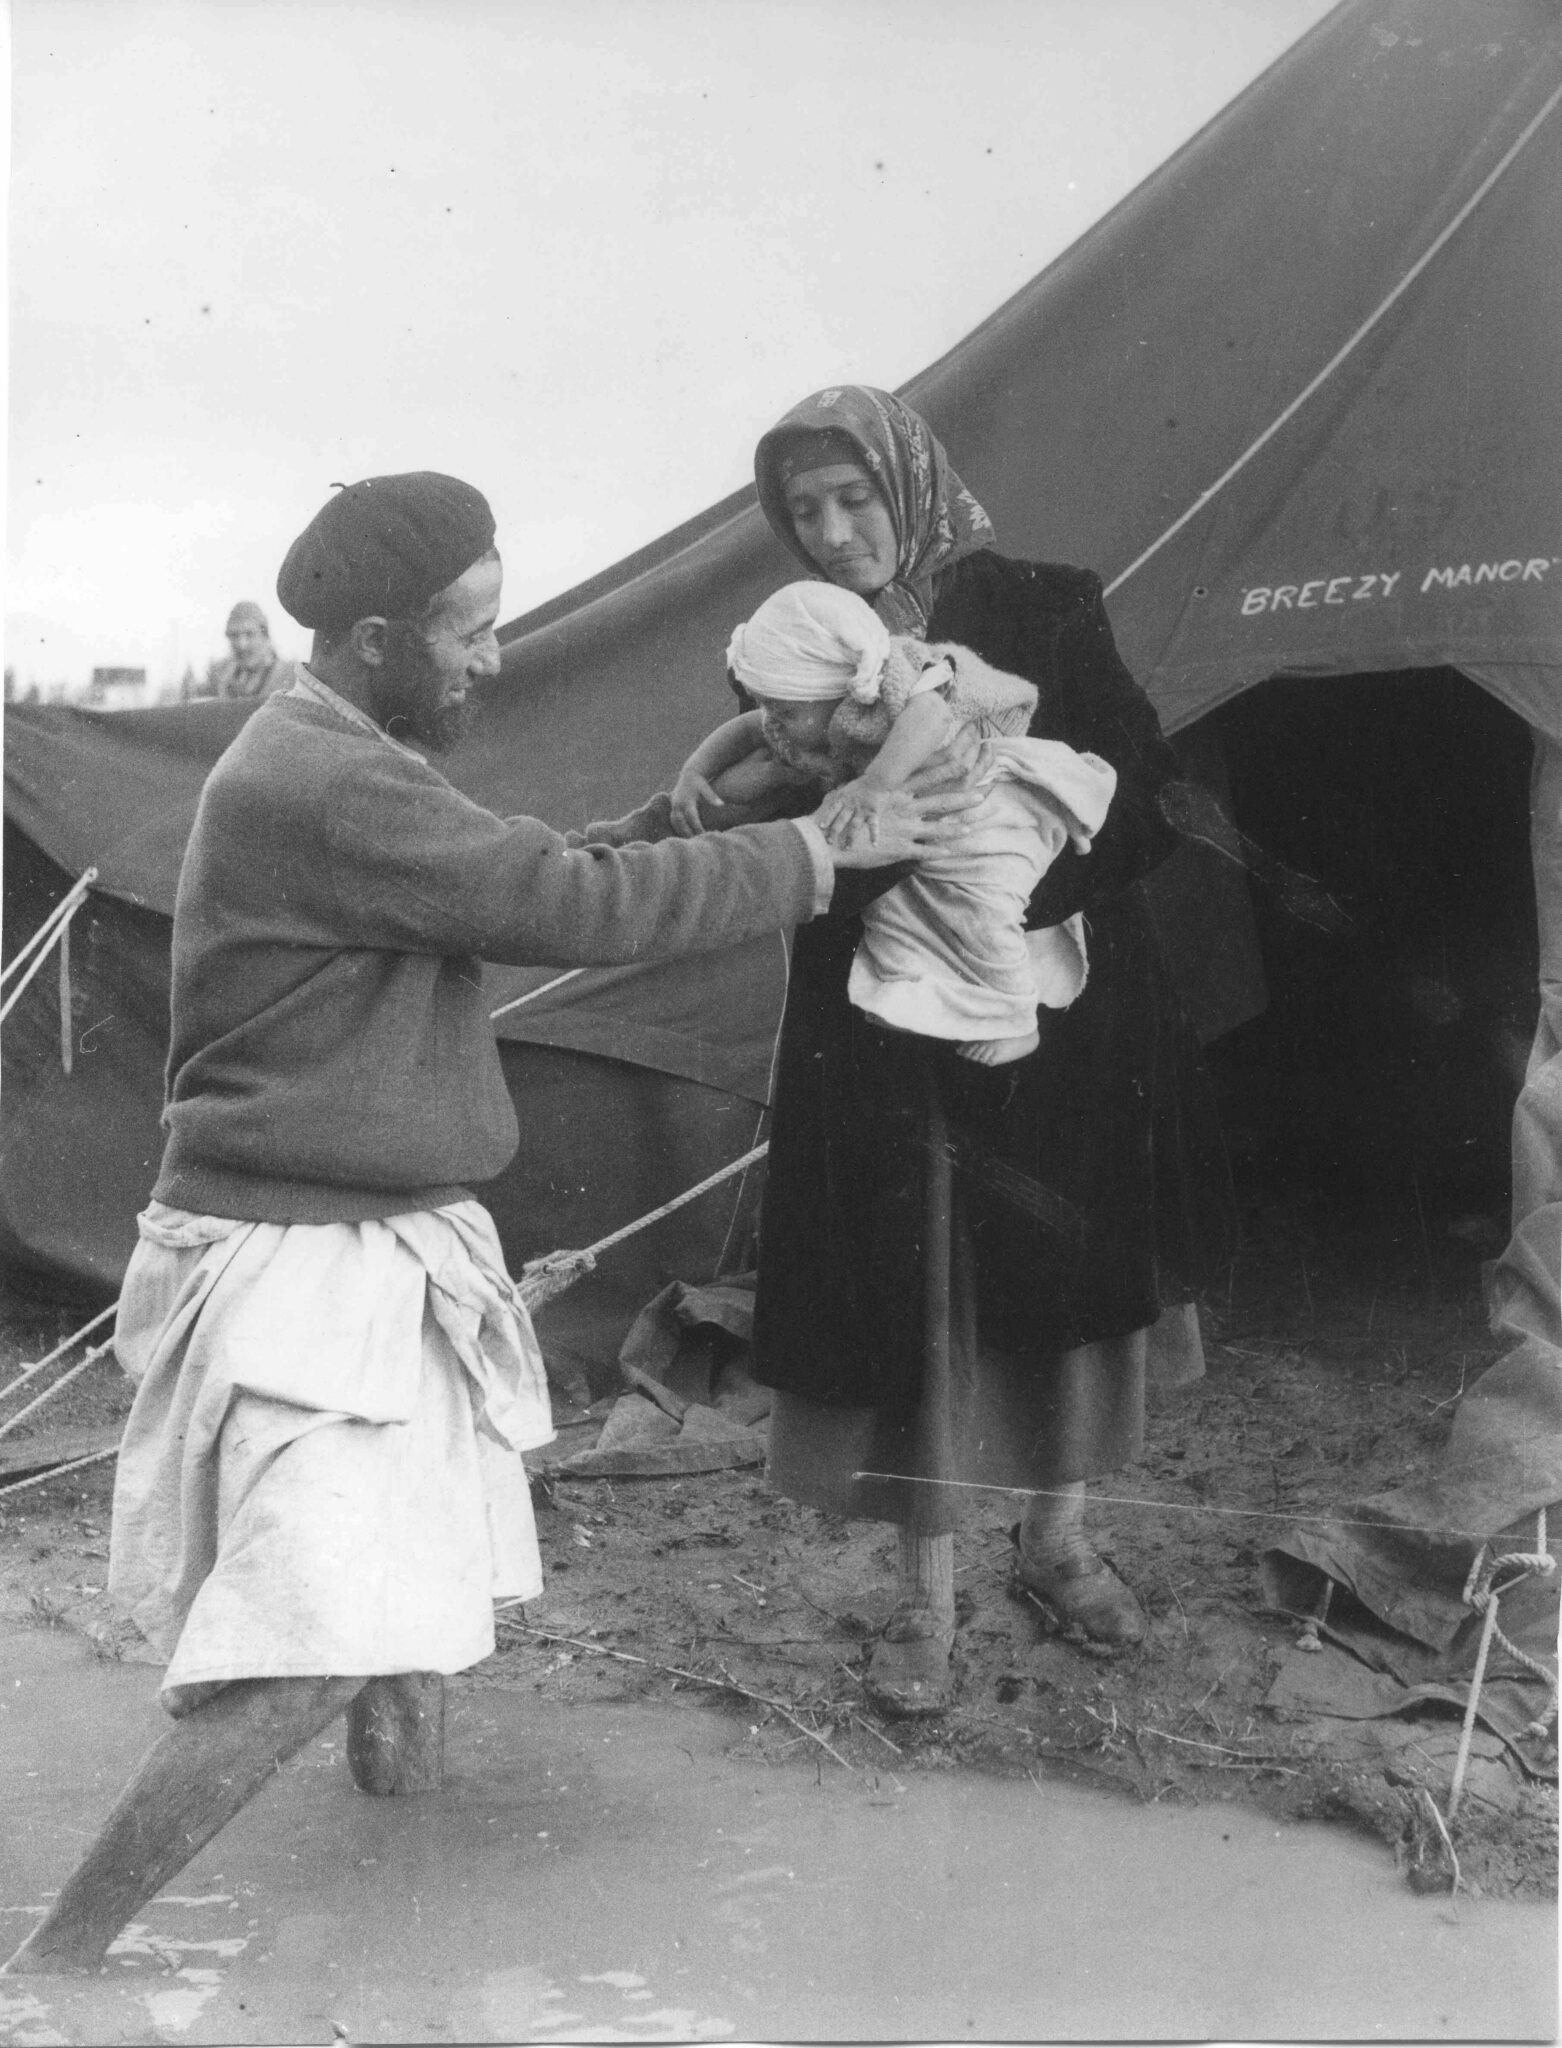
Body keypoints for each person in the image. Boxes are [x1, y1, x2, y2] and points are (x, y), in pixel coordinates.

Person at [3, 470, 969, 1974]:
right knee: (314, 1649)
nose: (493, 658)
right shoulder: (325, 779)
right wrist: (812, 852)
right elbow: (558, 905)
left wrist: (679, 816)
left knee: (409, 1621)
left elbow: (509, 877)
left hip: (366, 1242)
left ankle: (385, 1943)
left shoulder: (341, 756)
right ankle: (55, 1973)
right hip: (302, 1264)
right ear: (377, 639)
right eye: (471, 632)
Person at [736, 386, 1230, 1714]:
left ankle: (1057, 1541)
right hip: (878, 1029)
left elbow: (1147, 790)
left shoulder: (1043, 604)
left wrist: (1009, 891)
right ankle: (925, 1598)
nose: (832, 533)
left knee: (1058, 1275)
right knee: (920, 1295)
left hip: (1051, 1012)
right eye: (803, 509)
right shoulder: (801, 641)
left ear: (909, 485)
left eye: (854, 498)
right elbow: (781, 807)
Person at [673, 578, 1118, 1064]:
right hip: (921, 823)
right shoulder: (799, 714)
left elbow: (932, 715)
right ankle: (915, 995)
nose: (770, 721)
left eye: (782, 710)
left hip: (985, 799)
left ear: (839, 688)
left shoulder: (894, 678)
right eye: (767, 706)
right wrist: (695, 771)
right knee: (890, 913)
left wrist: (876, 783)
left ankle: (1015, 1016)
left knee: (980, 906)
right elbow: (745, 730)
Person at [196, 600, 296, 699]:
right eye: (234, 635)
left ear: (265, 635)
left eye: (249, 634)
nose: (242, 645)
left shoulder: (290, 677)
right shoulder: (222, 680)